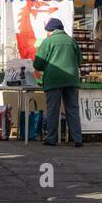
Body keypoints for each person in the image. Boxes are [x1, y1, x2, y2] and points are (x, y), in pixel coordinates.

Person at [34, 17, 83, 147]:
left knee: (53, 110)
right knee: (72, 109)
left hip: (53, 80)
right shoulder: (72, 41)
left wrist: (46, 67)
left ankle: (51, 139)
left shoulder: (48, 42)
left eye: (47, 31)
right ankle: (77, 139)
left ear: (51, 30)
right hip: (71, 80)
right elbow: (80, 62)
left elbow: (37, 64)